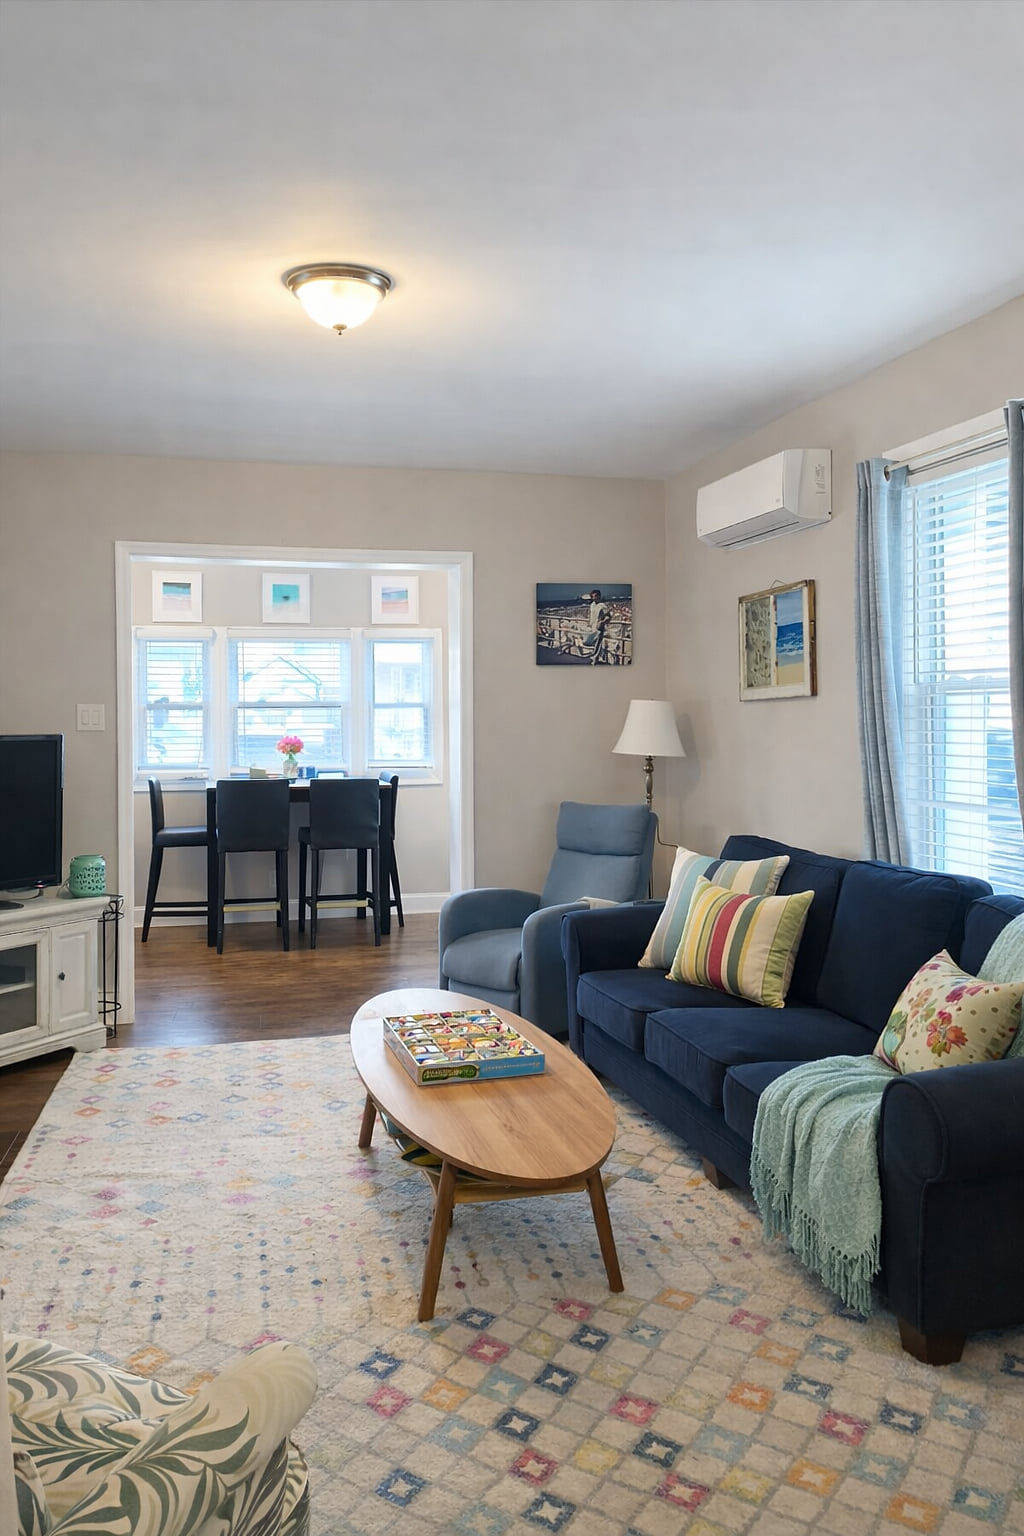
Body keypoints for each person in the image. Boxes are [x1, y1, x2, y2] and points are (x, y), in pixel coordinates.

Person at [580, 589, 610, 663]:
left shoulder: (602, 605)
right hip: (592, 626)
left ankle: (595, 659)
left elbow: (608, 616)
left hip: (599, 627)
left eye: (596, 596)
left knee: (598, 644)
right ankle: (596, 658)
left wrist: (602, 621)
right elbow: (591, 615)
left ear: (599, 596)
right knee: (591, 643)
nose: (595, 597)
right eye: (593, 596)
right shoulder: (592, 605)